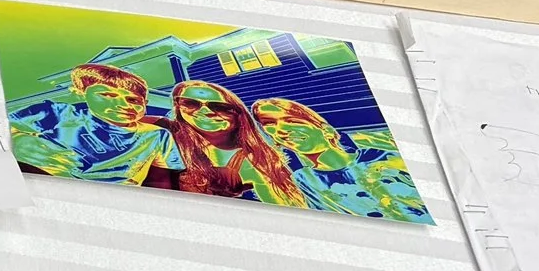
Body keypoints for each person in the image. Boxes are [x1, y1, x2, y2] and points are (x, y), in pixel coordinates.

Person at [251, 97, 428, 221]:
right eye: (270, 125)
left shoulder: (382, 155)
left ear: (327, 130)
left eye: (291, 120)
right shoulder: (303, 181)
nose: (281, 130)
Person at [10, 62, 180, 183]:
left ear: (145, 104)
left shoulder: (157, 135)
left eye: (133, 100)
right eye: (107, 95)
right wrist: (18, 139)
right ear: (80, 93)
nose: (123, 105)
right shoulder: (58, 112)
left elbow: (163, 179)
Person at [165, 78, 307, 207]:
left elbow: (287, 208)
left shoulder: (255, 159)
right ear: (178, 107)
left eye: (220, 107)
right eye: (190, 103)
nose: (205, 111)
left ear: (239, 115)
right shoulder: (166, 139)